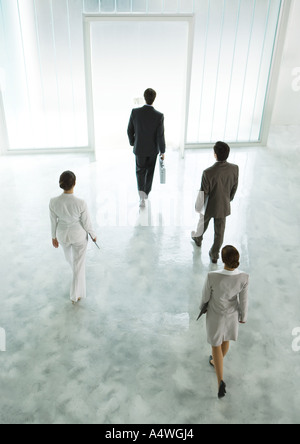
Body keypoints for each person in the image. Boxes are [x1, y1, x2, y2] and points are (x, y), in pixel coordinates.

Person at [200, 246, 249, 399]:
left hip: (216, 314)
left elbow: (205, 296)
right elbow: (244, 300)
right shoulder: (244, 277)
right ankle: (215, 361)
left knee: (215, 344)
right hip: (232, 315)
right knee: (226, 339)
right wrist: (243, 316)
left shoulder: (212, 276)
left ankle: (220, 381)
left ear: (222, 260)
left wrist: (202, 308)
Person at [49, 171, 97, 304]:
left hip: (62, 236)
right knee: (78, 264)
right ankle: (75, 295)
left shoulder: (53, 202)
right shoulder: (81, 203)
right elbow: (87, 223)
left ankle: (77, 276)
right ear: (74, 183)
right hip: (78, 236)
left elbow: (53, 221)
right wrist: (93, 235)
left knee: (71, 260)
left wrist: (53, 237)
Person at [191, 141, 239, 263]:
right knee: (220, 232)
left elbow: (204, 192)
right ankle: (214, 254)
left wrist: (198, 206)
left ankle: (198, 238)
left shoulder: (208, 172)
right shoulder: (234, 168)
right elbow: (234, 187)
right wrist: (229, 199)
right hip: (223, 206)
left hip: (210, 205)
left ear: (215, 155)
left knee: (203, 222)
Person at [127, 88, 166, 208]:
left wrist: (134, 142)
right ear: (154, 99)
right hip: (153, 150)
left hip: (139, 149)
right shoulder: (159, 115)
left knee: (140, 172)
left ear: (144, 97)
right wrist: (162, 151)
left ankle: (141, 197)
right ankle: (146, 195)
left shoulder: (135, 112)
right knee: (149, 173)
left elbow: (129, 130)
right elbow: (160, 135)